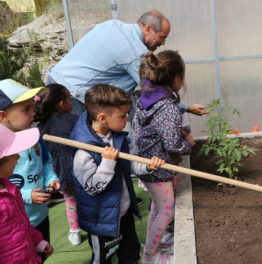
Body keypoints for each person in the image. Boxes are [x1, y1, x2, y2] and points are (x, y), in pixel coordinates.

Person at [46, 9, 207, 117]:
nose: (163, 43)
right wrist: (186, 107)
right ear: (149, 29)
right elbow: (154, 91)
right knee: (75, 150)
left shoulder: (112, 25)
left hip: (55, 82)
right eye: (162, 36)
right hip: (73, 96)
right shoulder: (134, 51)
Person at [69, 84, 165, 263]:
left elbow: (130, 165)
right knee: (103, 258)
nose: (127, 119)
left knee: (130, 254)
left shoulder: (117, 137)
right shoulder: (83, 151)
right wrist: (107, 162)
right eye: (123, 116)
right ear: (103, 117)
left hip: (123, 211)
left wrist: (147, 166)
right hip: (102, 220)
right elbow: (91, 188)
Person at [132, 50, 193, 263]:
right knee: (167, 211)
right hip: (158, 168)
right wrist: (187, 144)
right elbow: (173, 144)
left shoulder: (145, 97)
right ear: (176, 79)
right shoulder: (168, 108)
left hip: (146, 162)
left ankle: (153, 243)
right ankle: (150, 256)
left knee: (157, 207)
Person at [0, 79, 60, 261]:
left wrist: (51, 178)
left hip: (37, 219)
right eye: (26, 109)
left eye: (32, 106)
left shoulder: (33, 137)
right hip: (13, 226)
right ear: (3, 116)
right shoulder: (4, 149)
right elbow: (7, 187)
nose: (34, 112)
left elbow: (46, 162)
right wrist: (28, 196)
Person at [34, 83, 82, 246]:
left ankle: (74, 230)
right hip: (79, 168)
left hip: (57, 173)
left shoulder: (39, 128)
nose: (71, 102)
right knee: (88, 198)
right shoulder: (74, 120)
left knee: (70, 200)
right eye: (69, 99)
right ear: (62, 103)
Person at [0, 124, 54, 263]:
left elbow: (22, 223)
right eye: (13, 154)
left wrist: (38, 242)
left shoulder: (10, 187)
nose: (18, 156)